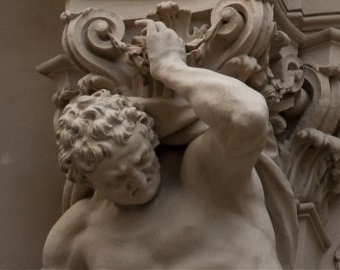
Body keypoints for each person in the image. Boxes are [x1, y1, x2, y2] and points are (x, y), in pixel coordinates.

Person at [43, 20, 289, 270]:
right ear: (88, 181)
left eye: (142, 161)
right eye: (116, 181)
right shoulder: (77, 235)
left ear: (152, 140)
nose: (139, 181)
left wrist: (171, 69)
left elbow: (249, 115)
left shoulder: (204, 174)